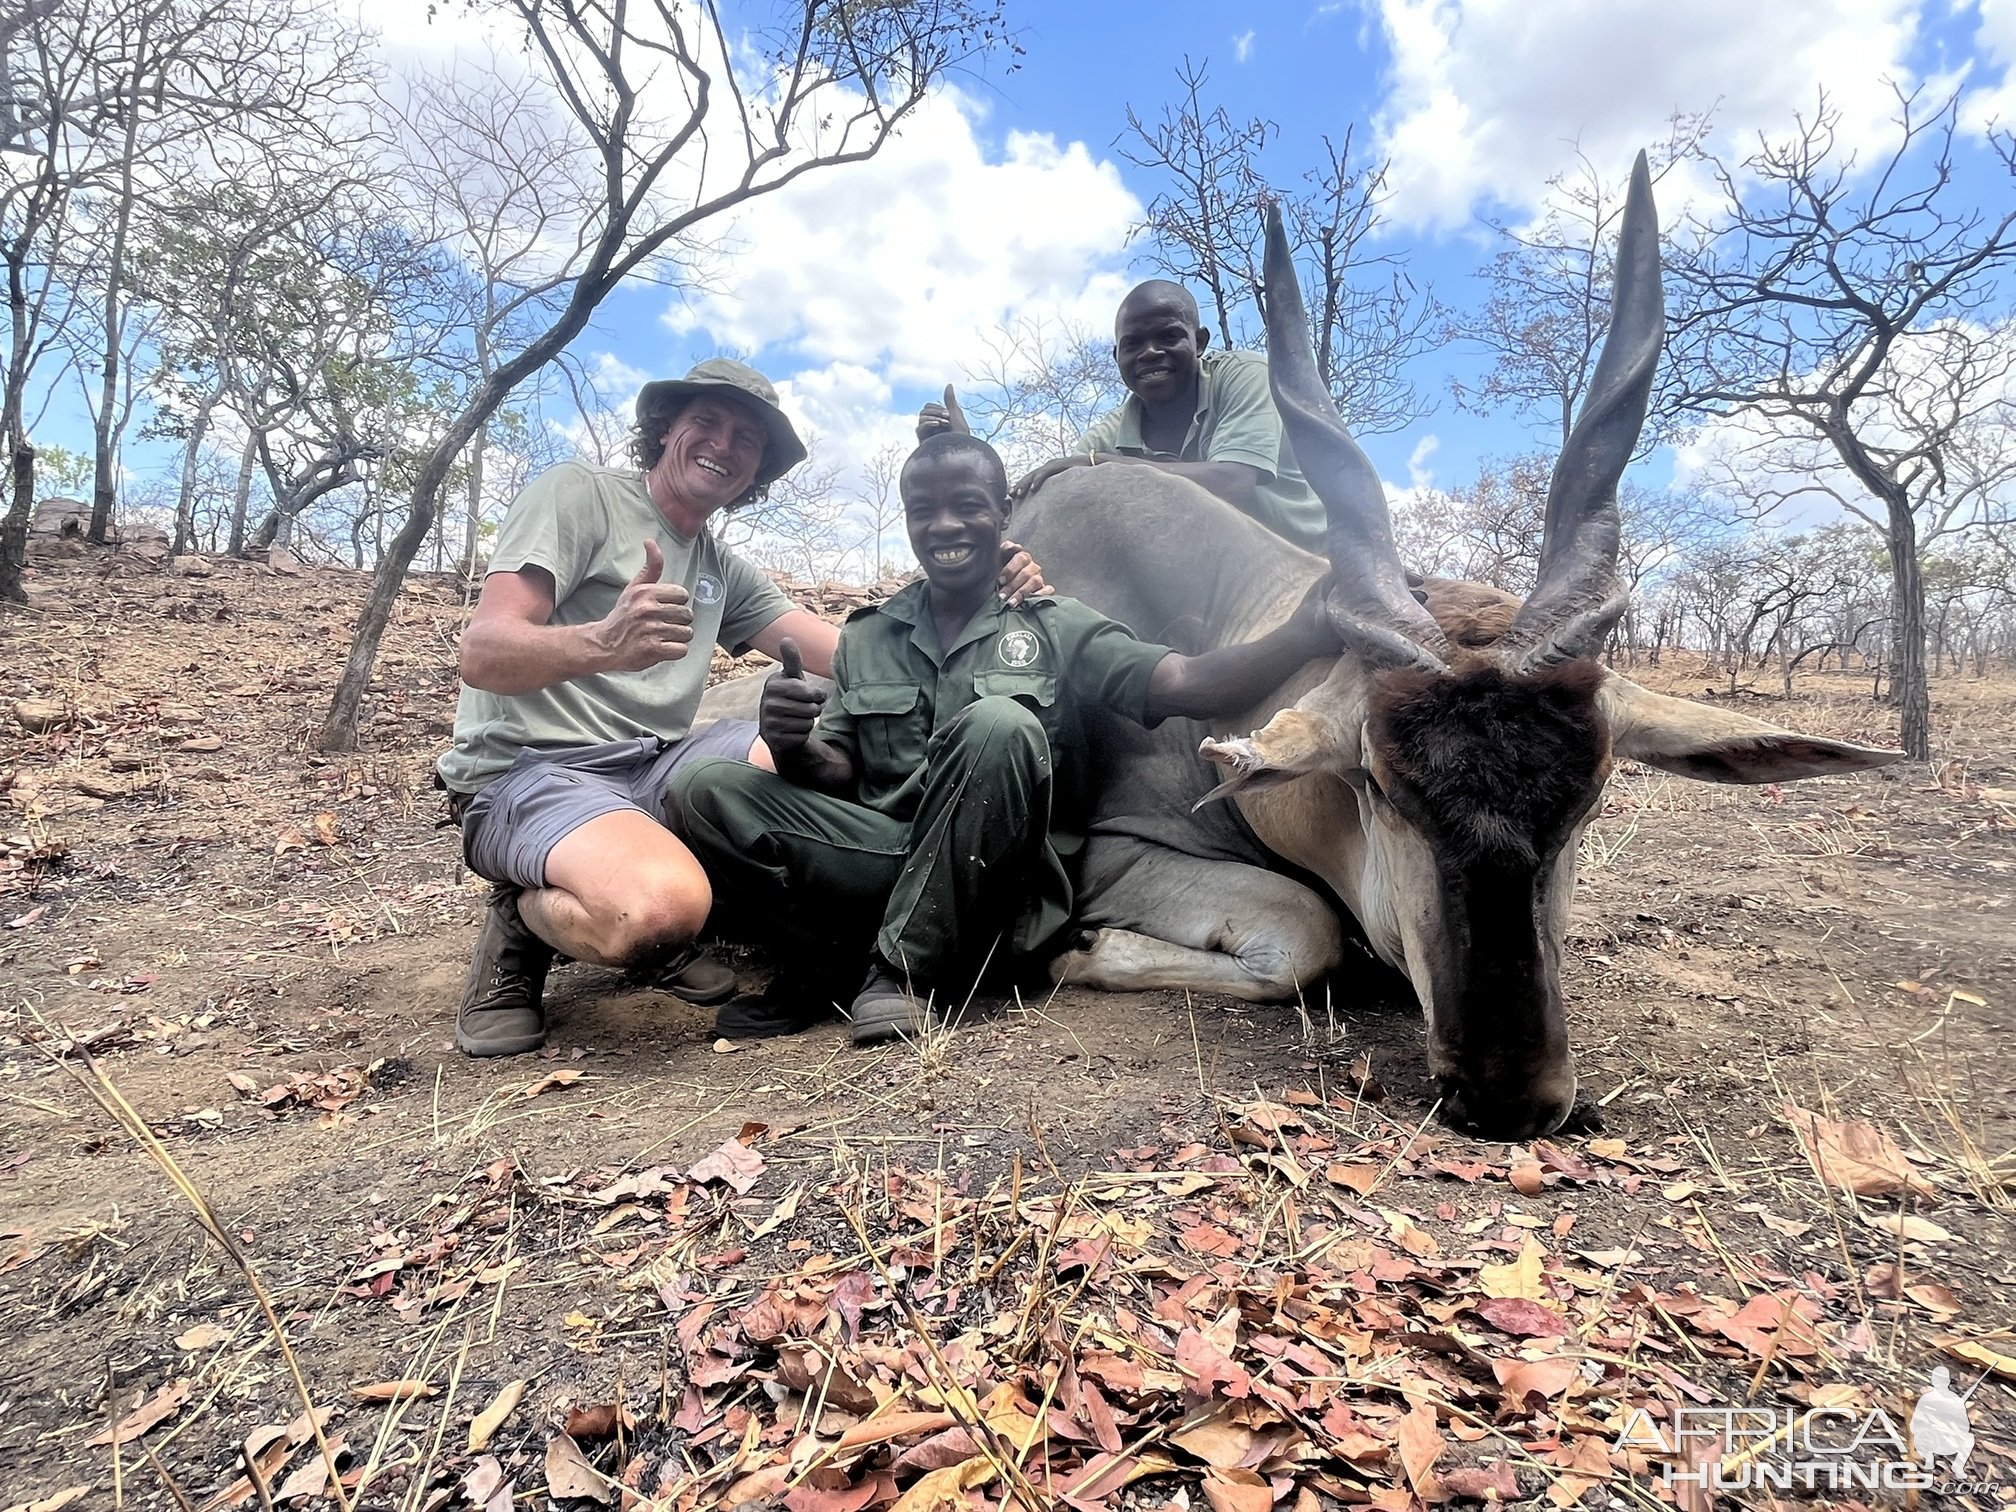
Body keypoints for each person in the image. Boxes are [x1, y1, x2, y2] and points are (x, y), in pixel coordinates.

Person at [438, 360, 1045, 1058]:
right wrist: (604, 643)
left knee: (806, 746)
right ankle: (521, 913)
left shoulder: (718, 566)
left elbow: (858, 650)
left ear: (757, 470)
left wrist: (978, 577)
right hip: (532, 770)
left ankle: (837, 935)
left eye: (747, 440)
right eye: (708, 422)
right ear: (665, 429)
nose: (724, 446)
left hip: (653, 766)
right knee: (658, 913)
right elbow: (482, 653)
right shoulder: (577, 495)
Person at [667, 431, 1341, 1045]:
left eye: (967, 505)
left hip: (1004, 886)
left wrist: (1303, 632)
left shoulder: (1057, 624)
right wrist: (791, 746)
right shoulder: (869, 635)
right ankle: (830, 961)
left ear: (1001, 515)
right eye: (923, 510)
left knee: (1000, 723)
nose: (946, 525)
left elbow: (1189, 683)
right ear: (907, 520)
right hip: (887, 856)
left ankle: (903, 975)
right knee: (703, 788)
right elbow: (839, 771)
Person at [924, 281, 1323, 549]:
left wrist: (1106, 466)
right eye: (1133, 344)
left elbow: (1235, 482)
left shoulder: (1243, 376)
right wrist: (965, 454)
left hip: (1303, 564)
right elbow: (1044, 494)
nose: (1150, 352)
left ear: (1199, 342)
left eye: (1168, 336)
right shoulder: (1114, 429)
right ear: (1118, 357)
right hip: (1216, 583)